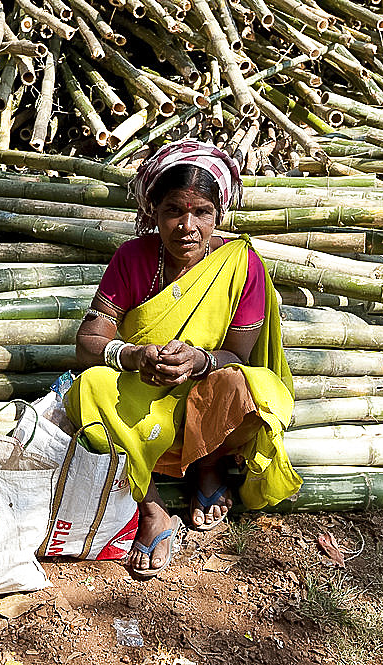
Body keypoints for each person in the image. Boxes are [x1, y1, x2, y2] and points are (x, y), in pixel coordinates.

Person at [64, 140, 300, 579]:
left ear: (219, 215)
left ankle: (208, 467)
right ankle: (151, 506)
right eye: (174, 210)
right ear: (153, 211)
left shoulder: (240, 263)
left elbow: (239, 357)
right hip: (141, 395)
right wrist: (133, 354)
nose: (187, 226)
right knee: (87, 389)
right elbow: (88, 341)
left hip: (204, 396)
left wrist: (199, 360)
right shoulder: (133, 258)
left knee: (251, 387)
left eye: (202, 213)